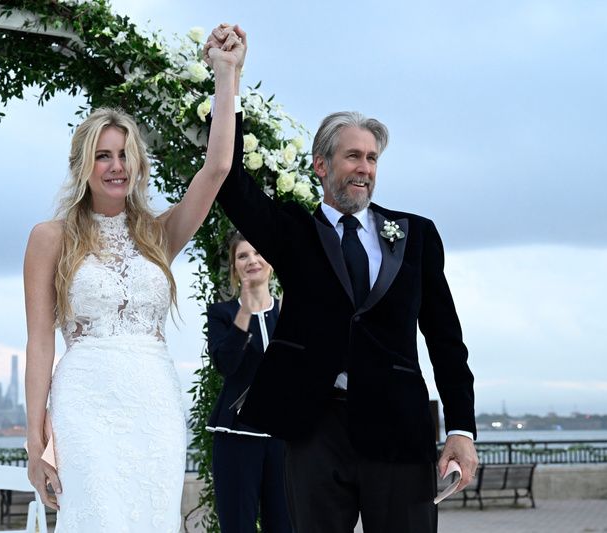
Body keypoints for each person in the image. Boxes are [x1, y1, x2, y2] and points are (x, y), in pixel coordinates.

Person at [206, 25, 478, 533]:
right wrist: (229, 78)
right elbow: (232, 183)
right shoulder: (292, 232)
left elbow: (445, 337)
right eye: (353, 156)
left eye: (372, 158)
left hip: (399, 429)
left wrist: (461, 427)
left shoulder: (416, 235)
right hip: (314, 427)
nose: (365, 168)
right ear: (321, 165)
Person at [23, 26, 246, 532]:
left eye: (124, 155)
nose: (116, 166)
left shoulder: (156, 235)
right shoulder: (49, 239)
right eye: (103, 155)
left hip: (154, 401)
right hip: (85, 403)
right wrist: (37, 443)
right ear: (83, 164)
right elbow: (39, 343)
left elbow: (217, 169)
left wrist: (226, 76)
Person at [205, 233, 292, 533]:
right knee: (238, 525)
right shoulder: (222, 314)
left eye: (258, 253)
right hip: (237, 436)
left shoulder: (289, 312)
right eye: (242, 256)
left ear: (270, 262)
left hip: (284, 439)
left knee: (285, 525)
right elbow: (226, 364)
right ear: (234, 268)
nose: (252, 260)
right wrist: (246, 309)